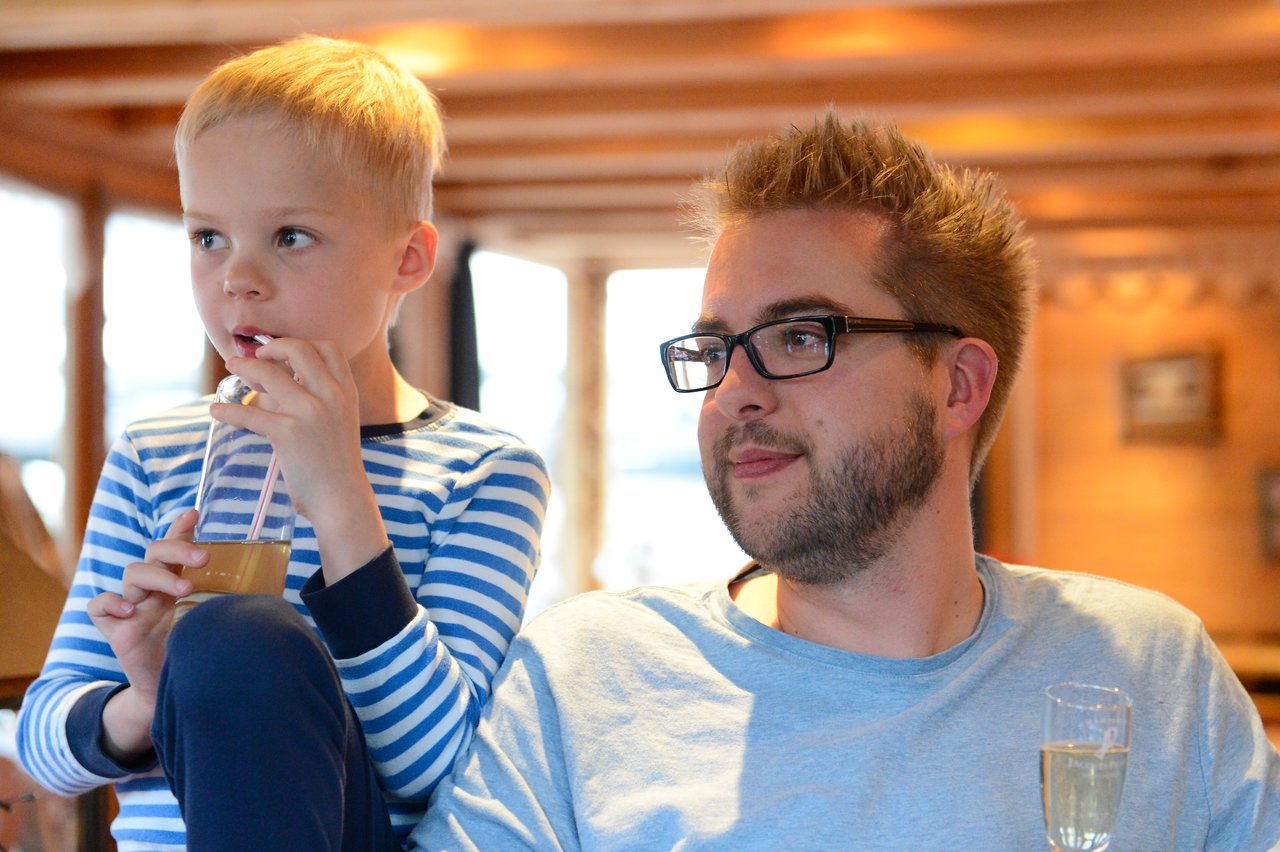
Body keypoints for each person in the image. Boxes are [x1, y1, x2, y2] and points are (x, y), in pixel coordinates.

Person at [413, 112, 1280, 850]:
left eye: (798, 337)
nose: (733, 392)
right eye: (715, 349)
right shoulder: (587, 680)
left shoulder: (1149, 670)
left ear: (957, 386)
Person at [17, 36, 550, 851]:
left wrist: (341, 501)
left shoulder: (486, 472)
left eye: (291, 236)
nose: (237, 277)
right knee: (223, 638)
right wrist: (152, 692)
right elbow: (42, 745)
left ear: (407, 259)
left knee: (240, 633)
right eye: (208, 238)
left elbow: (439, 770)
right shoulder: (156, 453)